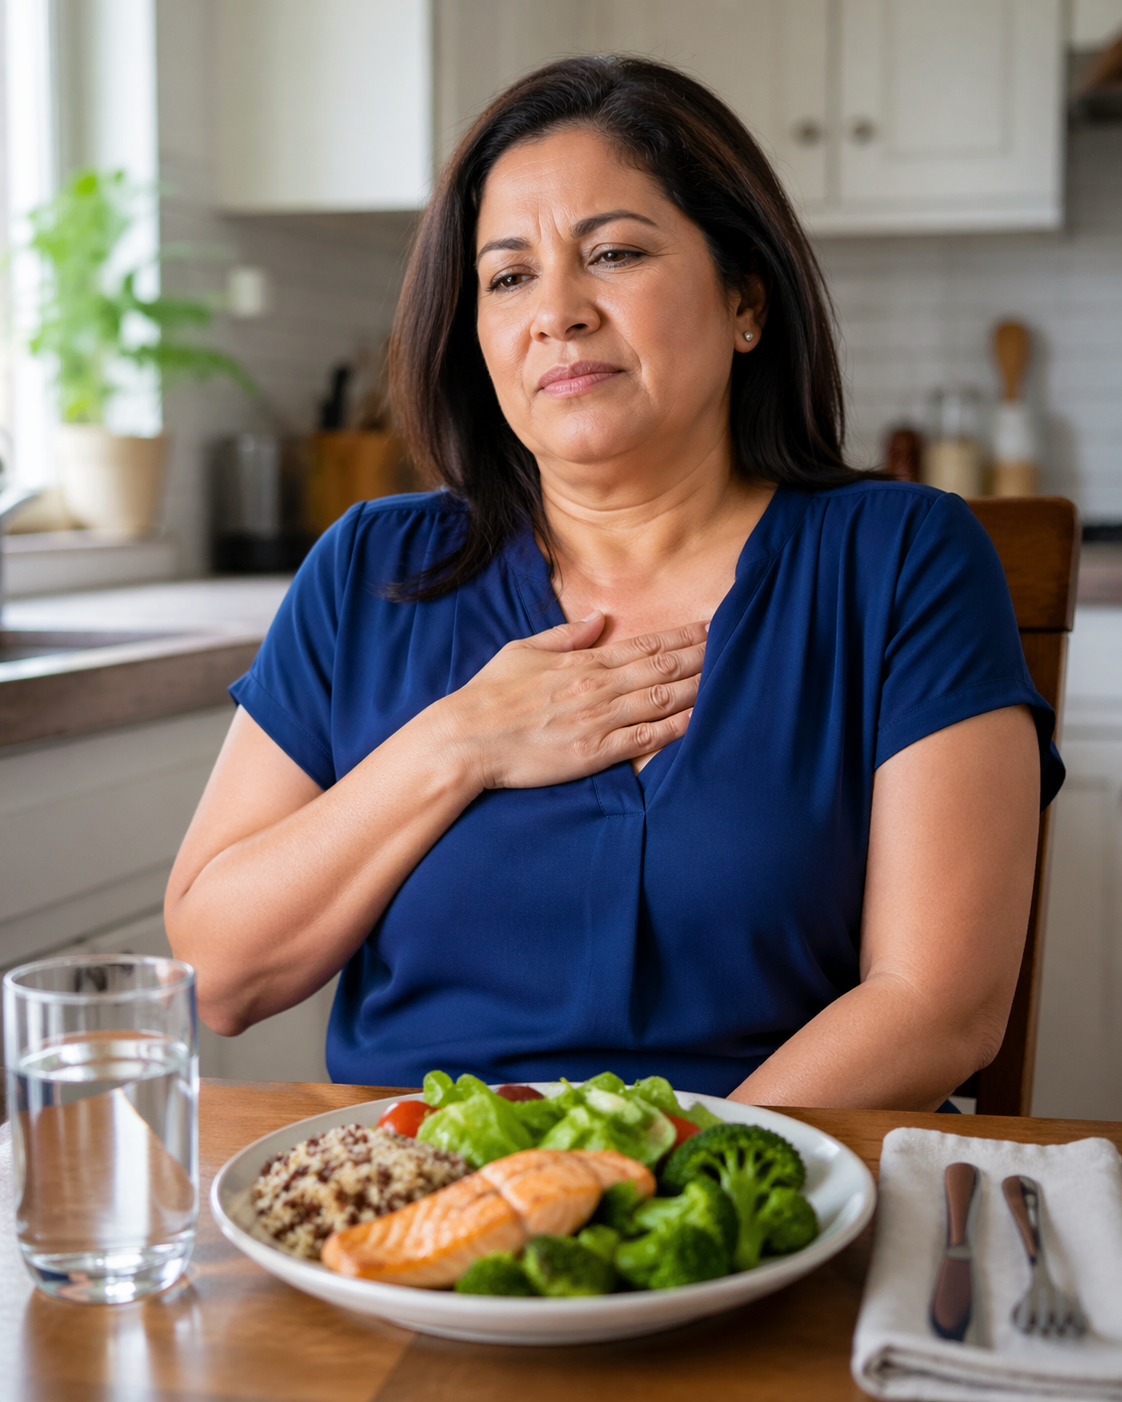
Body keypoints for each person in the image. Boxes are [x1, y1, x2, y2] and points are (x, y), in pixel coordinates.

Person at [165, 57, 1061, 1111]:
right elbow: (218, 973)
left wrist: (651, 1194)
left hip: (779, 1203)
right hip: (421, 1229)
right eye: (507, 277)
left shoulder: (904, 557)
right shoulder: (369, 570)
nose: (558, 312)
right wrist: (463, 742)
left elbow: (938, 1000)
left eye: (616, 253)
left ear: (745, 299)